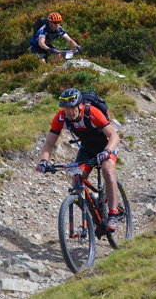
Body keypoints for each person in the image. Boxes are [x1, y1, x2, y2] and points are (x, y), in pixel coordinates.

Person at [35, 88, 121, 231]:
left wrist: (107, 152)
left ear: (80, 105)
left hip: (105, 146)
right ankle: (94, 214)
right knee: (77, 180)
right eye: (66, 108)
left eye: (72, 107)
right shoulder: (60, 118)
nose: (69, 111)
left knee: (107, 170)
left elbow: (114, 136)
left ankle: (112, 216)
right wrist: (44, 161)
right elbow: (49, 143)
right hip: (87, 148)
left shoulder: (92, 113)